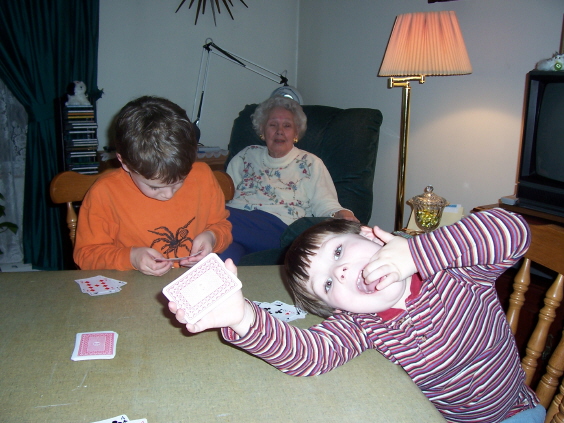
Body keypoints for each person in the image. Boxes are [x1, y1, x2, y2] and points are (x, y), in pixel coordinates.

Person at [169, 208, 546, 423]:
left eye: (337, 254)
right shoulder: (361, 323)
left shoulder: (456, 274)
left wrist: (415, 254)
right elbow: (308, 355)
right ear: (338, 309)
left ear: (371, 236)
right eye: (328, 286)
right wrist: (241, 317)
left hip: (514, 412)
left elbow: (511, 230)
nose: (342, 274)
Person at [74, 96, 232, 276]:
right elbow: (86, 255)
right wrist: (131, 257)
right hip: (132, 287)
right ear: (124, 162)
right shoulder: (104, 193)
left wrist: (212, 237)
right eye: (155, 187)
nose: (168, 195)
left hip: (192, 283)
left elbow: (222, 226)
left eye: (180, 181)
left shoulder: (202, 176)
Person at [219, 95, 358, 265]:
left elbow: (325, 202)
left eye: (287, 126)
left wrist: (342, 213)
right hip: (239, 227)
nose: (279, 131)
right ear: (262, 131)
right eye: (272, 125)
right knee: (219, 259)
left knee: (214, 219)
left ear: (296, 133)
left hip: (280, 229)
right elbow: (224, 194)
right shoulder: (246, 156)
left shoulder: (310, 163)